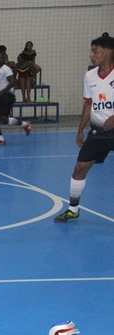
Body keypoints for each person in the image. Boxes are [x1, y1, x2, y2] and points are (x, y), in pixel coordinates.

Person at [54, 33, 114, 223]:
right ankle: (73, 209)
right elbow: (88, 104)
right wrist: (80, 130)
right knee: (80, 168)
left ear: (108, 52)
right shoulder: (90, 76)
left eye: (95, 51)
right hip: (99, 132)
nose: (91, 55)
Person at [0, 52, 32, 146]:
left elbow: (13, 82)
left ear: (3, 59)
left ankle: (24, 124)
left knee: (3, 119)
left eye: (0, 58)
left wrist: (2, 92)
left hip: (7, 95)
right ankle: (1, 139)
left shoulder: (6, 69)